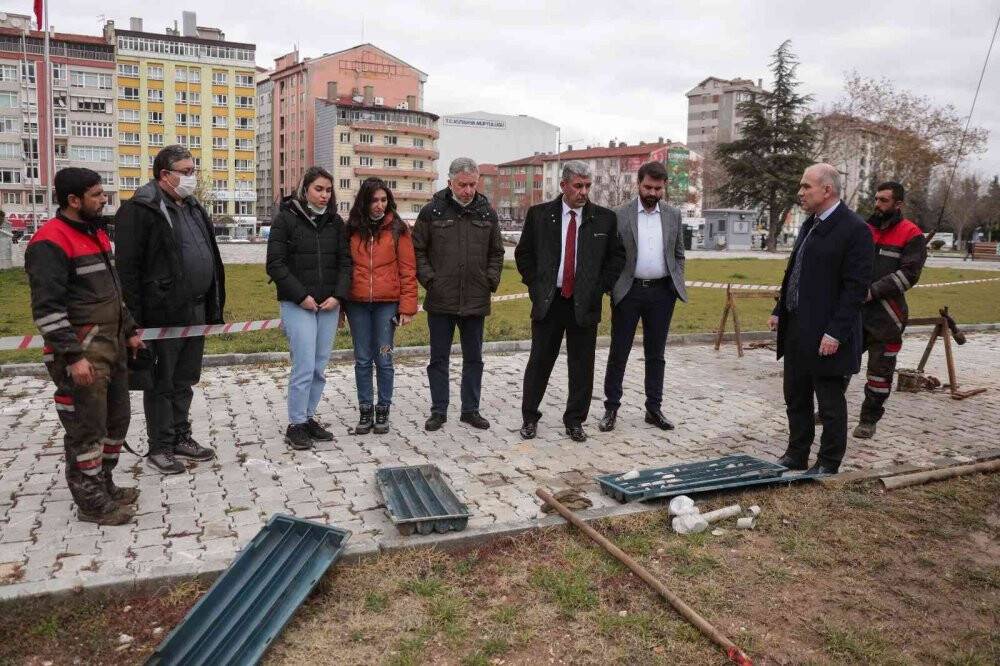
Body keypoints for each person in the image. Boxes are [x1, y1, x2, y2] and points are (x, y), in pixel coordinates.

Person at [25, 168, 143, 524]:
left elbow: (113, 291)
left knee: (116, 420)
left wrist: (130, 329)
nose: (103, 199)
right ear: (73, 200)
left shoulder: (96, 233)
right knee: (86, 427)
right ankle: (90, 501)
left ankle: (104, 482)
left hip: (112, 346)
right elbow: (47, 310)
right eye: (96, 195)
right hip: (82, 352)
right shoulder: (49, 242)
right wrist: (73, 357)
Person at [115, 145, 225, 474]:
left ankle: (180, 436)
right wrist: (133, 322)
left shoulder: (193, 206)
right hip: (161, 314)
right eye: (186, 172)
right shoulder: (141, 209)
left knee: (184, 379)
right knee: (161, 381)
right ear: (165, 174)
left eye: (194, 171)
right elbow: (128, 270)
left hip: (196, 310)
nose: (192, 177)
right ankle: (160, 446)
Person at [768, 164, 873, 475]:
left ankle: (828, 461)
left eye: (806, 186)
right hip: (797, 328)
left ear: (827, 190)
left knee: (829, 402)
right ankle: (796, 453)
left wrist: (836, 333)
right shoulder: (810, 224)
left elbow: (855, 289)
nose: (800, 192)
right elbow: (795, 270)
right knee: (796, 396)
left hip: (827, 334)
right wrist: (780, 309)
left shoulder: (854, 230)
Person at [515, 160, 625, 442]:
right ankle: (529, 418)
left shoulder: (605, 219)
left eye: (588, 186)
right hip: (549, 301)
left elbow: (616, 258)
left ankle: (575, 420)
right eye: (578, 186)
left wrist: (598, 288)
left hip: (584, 303)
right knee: (539, 362)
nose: (584, 192)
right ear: (563, 185)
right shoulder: (539, 215)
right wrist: (536, 286)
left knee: (582, 366)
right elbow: (524, 254)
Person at [413, 158, 504, 432]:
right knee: (438, 359)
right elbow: (418, 250)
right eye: (462, 185)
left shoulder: (487, 213)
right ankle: (438, 410)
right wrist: (431, 281)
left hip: (476, 298)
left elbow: (496, 252)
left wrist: (490, 280)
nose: (468, 190)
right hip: (441, 299)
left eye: (472, 184)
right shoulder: (432, 212)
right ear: (450, 182)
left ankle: (470, 410)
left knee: (474, 358)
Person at [265, 167, 352, 450]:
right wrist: (301, 296)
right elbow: (275, 264)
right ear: (305, 189)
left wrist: (338, 296)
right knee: (303, 365)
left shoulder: (335, 223)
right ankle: (296, 424)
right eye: (319, 189)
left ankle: (308, 416)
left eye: (328, 190)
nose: (324, 195)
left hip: (328, 305)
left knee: (319, 367)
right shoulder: (286, 219)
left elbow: (345, 263)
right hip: (298, 304)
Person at [599, 161, 688, 432]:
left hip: (662, 293)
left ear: (664, 187)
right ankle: (611, 408)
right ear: (638, 184)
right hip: (628, 292)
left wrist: (676, 281)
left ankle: (654, 409)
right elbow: (609, 256)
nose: (652, 193)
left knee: (656, 354)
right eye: (648, 187)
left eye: (658, 188)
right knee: (619, 352)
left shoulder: (673, 215)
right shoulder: (620, 214)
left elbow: (679, 253)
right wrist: (613, 288)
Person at [344, 178, 417, 435]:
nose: (379, 205)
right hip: (357, 305)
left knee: (384, 357)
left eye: (384, 200)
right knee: (363, 359)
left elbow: (408, 270)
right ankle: (365, 410)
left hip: (387, 306)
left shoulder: (398, 229)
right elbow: (343, 268)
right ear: (364, 201)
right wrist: (340, 307)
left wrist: (407, 307)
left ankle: (383, 409)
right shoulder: (351, 229)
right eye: (374, 200)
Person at [854, 182, 926, 439]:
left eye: (883, 200)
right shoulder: (864, 229)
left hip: (888, 316)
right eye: (876, 199)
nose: (877, 204)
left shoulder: (912, 234)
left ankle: (869, 419)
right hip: (855, 313)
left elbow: (909, 275)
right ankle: (830, 410)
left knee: (879, 374)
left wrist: (872, 291)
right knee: (838, 365)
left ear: (898, 204)